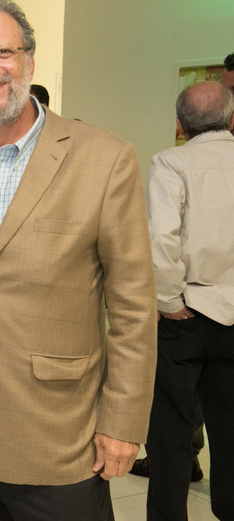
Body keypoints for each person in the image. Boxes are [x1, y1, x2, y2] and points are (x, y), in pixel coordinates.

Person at [0, 0, 157, 520]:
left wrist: (122, 422)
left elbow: (133, 309)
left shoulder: (103, 158)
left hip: (58, 438)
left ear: (30, 59)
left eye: (3, 52)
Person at [145, 80, 234, 521]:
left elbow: (162, 238)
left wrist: (167, 301)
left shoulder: (171, 161)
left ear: (179, 125)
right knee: (232, 432)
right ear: (232, 119)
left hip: (186, 316)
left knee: (170, 434)